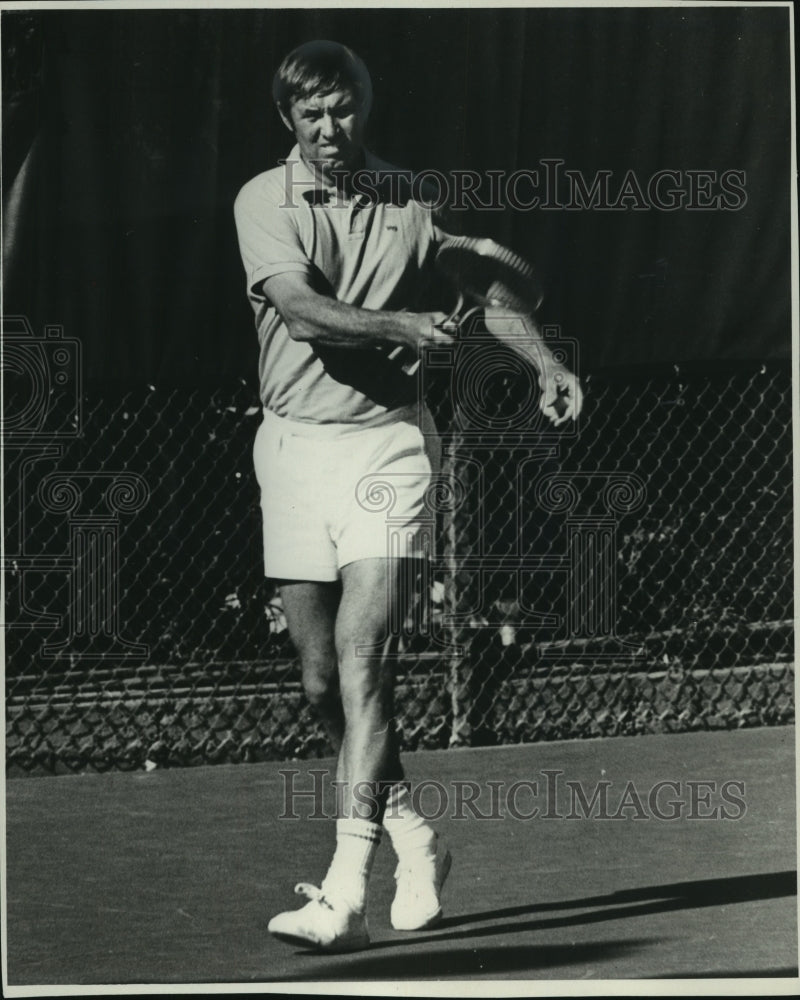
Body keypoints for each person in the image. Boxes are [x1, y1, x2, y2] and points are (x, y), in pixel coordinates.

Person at [234, 39, 582, 953]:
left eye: (341, 110)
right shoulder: (262, 202)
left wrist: (543, 362)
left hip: (389, 445)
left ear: (363, 108)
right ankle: (416, 840)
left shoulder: (409, 202)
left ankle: (344, 892)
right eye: (310, 114)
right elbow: (301, 307)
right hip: (292, 447)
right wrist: (398, 323)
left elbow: (486, 291)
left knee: (364, 652)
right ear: (288, 120)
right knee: (321, 683)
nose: (328, 128)